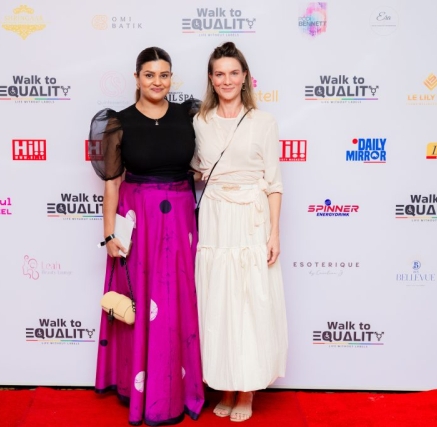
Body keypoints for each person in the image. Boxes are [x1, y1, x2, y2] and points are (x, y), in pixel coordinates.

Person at [89, 47, 204, 426]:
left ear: (172, 78)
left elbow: (207, 163)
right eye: (150, 75)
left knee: (177, 300)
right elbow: (112, 182)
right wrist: (109, 233)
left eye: (164, 75)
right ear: (137, 78)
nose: (158, 82)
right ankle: (140, 386)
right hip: (138, 221)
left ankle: (177, 389)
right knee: (141, 301)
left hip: (181, 220)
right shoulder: (118, 122)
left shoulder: (188, 116)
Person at [191, 42, 288, 422]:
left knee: (249, 302)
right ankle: (225, 385)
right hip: (216, 218)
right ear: (211, 79)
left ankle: (246, 390)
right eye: (220, 74)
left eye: (234, 73)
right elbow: (197, 169)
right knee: (219, 302)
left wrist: (274, 233)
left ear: (245, 76)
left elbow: (274, 183)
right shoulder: (200, 121)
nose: (227, 80)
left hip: (251, 219)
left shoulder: (264, 122)